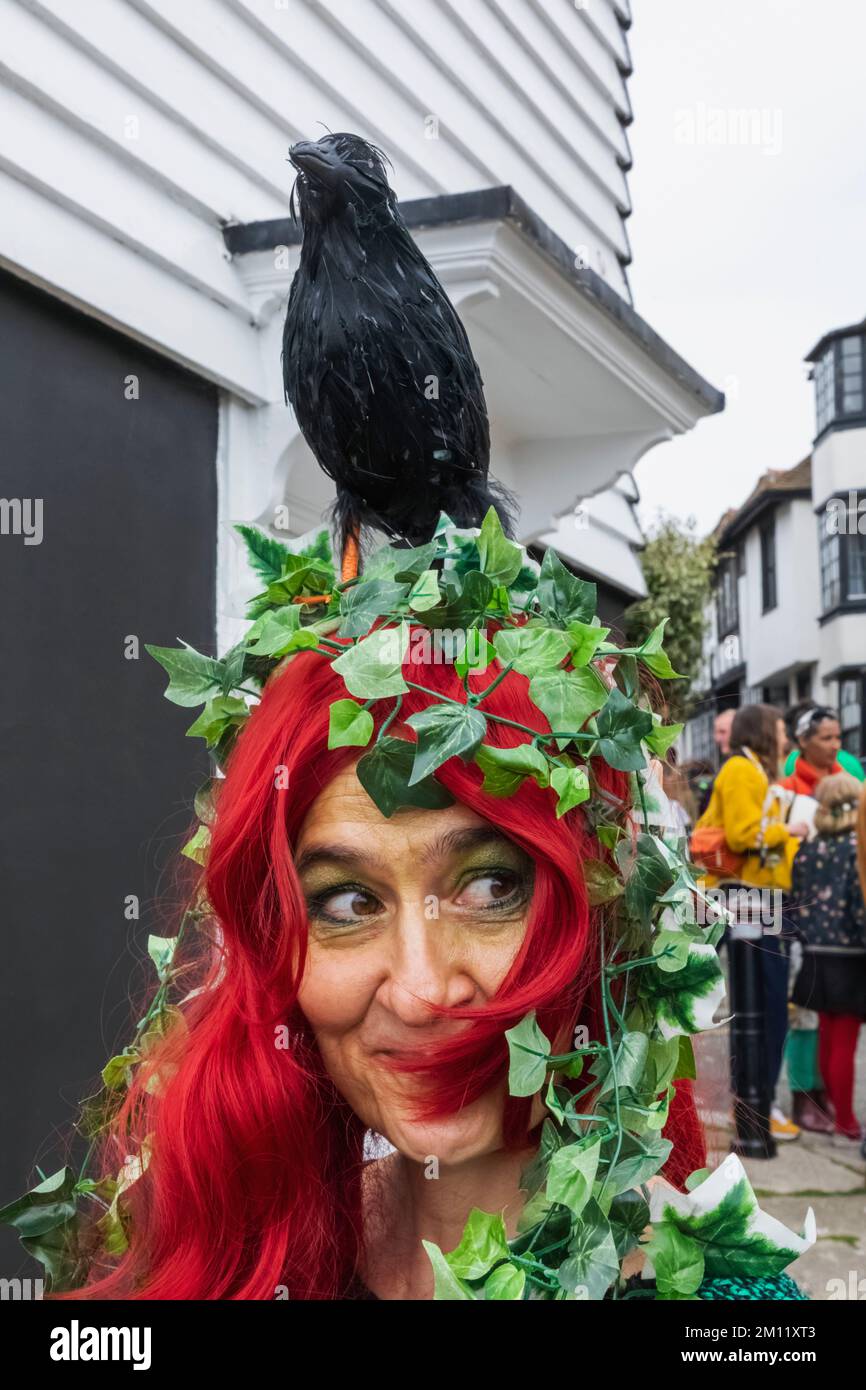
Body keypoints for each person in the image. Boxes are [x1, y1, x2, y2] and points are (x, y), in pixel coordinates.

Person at [693, 704, 809, 1143]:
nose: (785, 737)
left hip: (750, 894)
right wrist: (790, 828)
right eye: (781, 728)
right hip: (743, 895)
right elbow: (743, 836)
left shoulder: (751, 770)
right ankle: (756, 1103)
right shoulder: (744, 771)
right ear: (765, 730)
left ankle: (754, 1101)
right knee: (764, 1003)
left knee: (760, 1002)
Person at [791, 774, 866, 1147]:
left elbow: (797, 901)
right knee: (846, 1042)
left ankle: (837, 1114)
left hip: (816, 953)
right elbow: (859, 907)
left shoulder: (808, 850)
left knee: (827, 1035)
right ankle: (847, 1124)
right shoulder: (858, 847)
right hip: (851, 955)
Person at [782, 706, 859, 796]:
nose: (836, 746)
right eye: (827, 738)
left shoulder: (850, 785)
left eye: (838, 738)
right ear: (803, 741)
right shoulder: (786, 791)